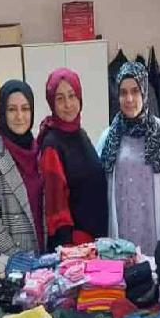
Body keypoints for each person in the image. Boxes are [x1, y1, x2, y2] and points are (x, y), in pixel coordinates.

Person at [97, 61, 160, 254]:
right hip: (122, 233)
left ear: (145, 93)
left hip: (156, 232)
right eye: (123, 92)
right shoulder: (108, 137)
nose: (129, 99)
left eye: (135, 91)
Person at [38, 67, 108, 250]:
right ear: (52, 103)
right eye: (60, 99)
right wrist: (71, 249)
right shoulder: (52, 144)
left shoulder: (80, 134)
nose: (68, 104)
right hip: (75, 247)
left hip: (94, 241)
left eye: (72, 96)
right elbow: (56, 207)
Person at [0, 80, 45, 254]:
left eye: (25, 109)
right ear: (2, 112)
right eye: (12, 109)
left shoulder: (39, 151)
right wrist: (18, 261)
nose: (19, 116)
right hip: (9, 261)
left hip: (42, 255)